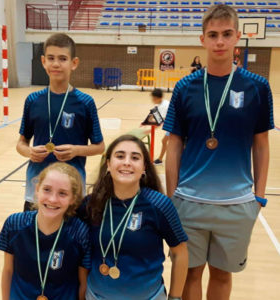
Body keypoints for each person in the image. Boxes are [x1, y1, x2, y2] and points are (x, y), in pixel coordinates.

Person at [164, 4, 274, 300]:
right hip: (189, 201)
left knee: (223, 274)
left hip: (237, 203)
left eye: (227, 34)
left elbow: (261, 142)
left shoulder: (258, 87)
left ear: (238, 36)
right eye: (213, 35)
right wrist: (172, 194)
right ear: (202, 40)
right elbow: (173, 143)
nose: (220, 42)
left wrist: (259, 196)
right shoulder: (185, 87)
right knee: (190, 273)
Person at [78, 134, 188, 300]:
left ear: (144, 167)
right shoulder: (91, 204)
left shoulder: (159, 204)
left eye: (135, 158)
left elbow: (180, 253)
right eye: (120, 156)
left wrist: (175, 297)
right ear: (108, 164)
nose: (127, 162)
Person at [16, 33, 105, 211]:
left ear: (74, 63)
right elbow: (21, 143)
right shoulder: (33, 100)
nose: (56, 64)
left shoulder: (85, 102)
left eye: (62, 58)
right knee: (36, 237)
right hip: (37, 188)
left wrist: (76, 150)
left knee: (71, 238)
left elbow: (100, 147)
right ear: (43, 61)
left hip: (71, 190)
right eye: (51, 58)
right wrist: (30, 152)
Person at [0, 162, 91, 300]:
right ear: (37, 189)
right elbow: (8, 271)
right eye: (47, 189)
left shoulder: (79, 232)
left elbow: (83, 283)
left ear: (73, 199)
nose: (52, 199)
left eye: (62, 193)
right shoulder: (14, 224)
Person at [150, 88, 170, 165]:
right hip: (170, 125)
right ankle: (160, 159)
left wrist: (149, 130)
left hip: (174, 125)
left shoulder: (165, 105)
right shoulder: (158, 104)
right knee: (164, 141)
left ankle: (160, 159)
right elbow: (154, 113)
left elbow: (160, 121)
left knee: (166, 141)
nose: (153, 100)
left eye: (154, 98)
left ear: (160, 98)